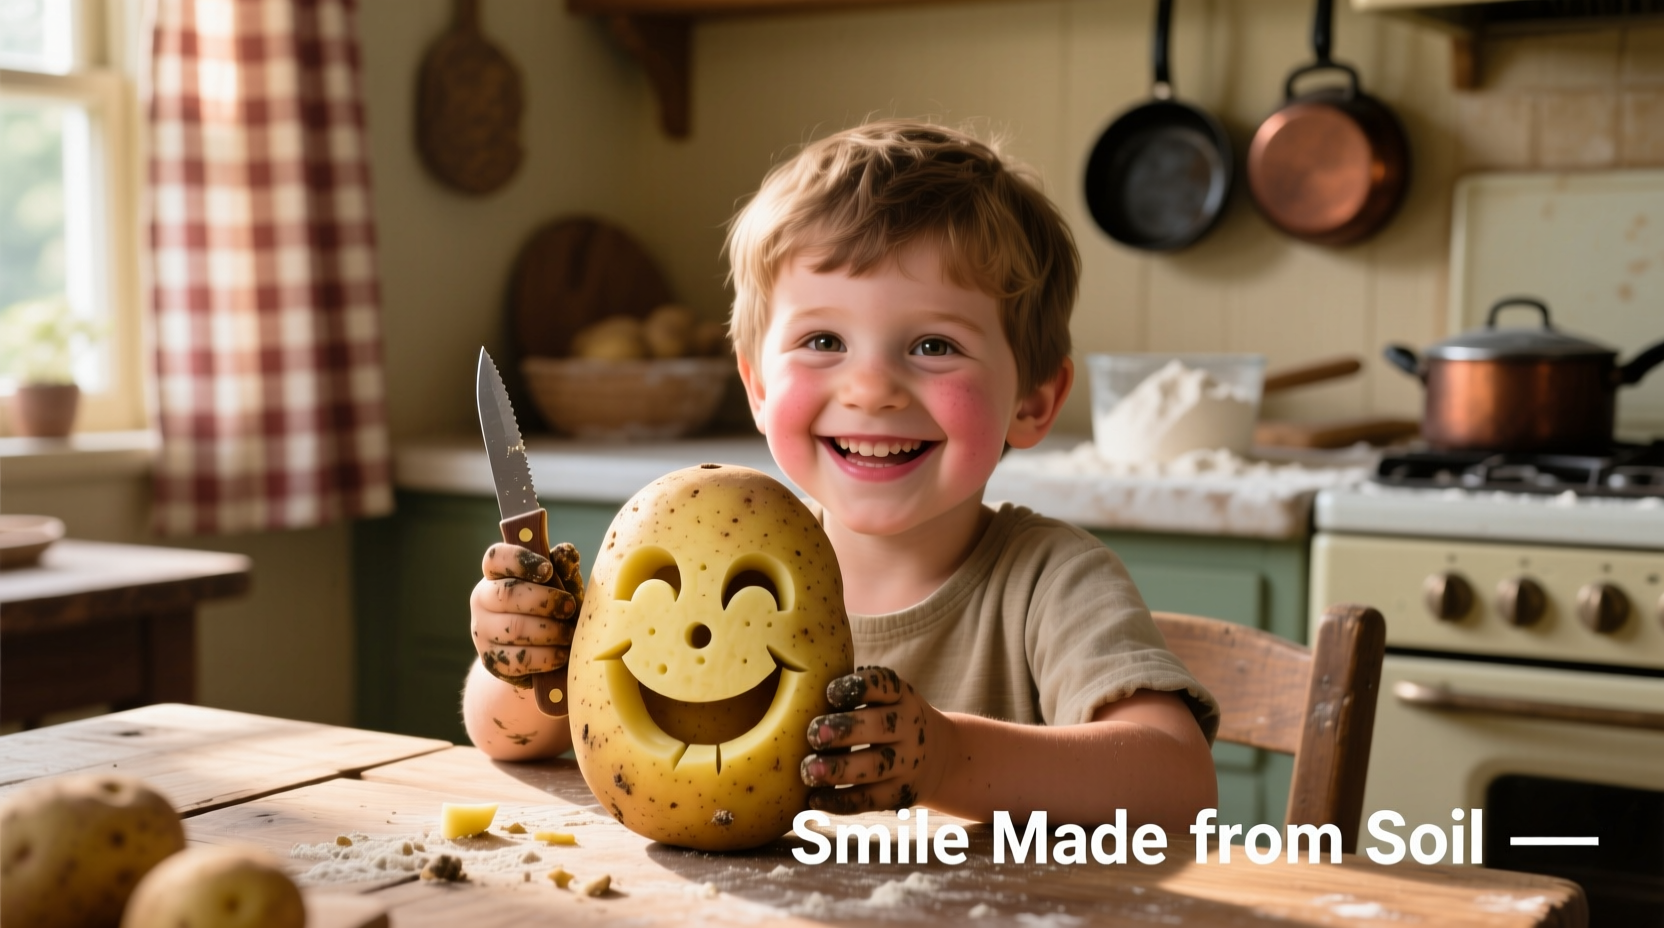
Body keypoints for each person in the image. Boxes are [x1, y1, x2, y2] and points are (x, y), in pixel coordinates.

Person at [462, 120, 1219, 830]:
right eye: (824, 338)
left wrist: (949, 758)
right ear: (757, 386)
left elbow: (1178, 782)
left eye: (932, 346)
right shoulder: (714, 570)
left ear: (1033, 401)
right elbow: (506, 736)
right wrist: (529, 660)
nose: (871, 387)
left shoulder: (1052, 584)